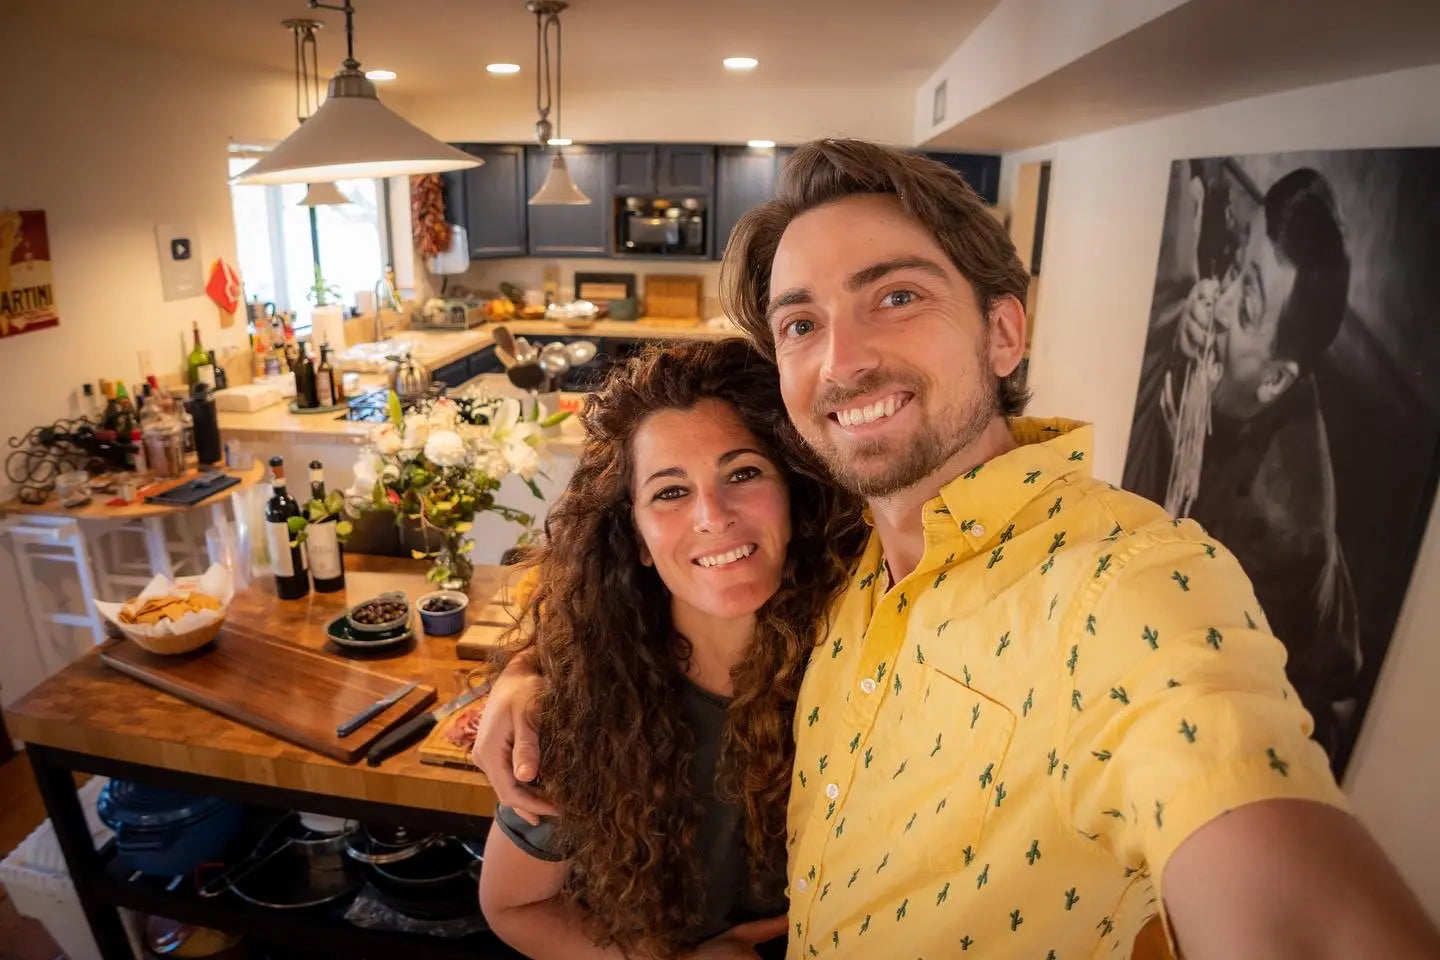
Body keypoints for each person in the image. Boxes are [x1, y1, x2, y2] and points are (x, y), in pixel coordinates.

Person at [475, 139, 1440, 959]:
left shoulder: (1128, 585)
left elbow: (1233, 785)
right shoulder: (845, 553)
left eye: (895, 296)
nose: (843, 357)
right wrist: (535, 675)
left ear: (1005, 330)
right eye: (802, 323)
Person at [477, 339, 867, 959]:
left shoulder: (870, 653)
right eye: (669, 492)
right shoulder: (578, 705)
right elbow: (512, 905)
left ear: (794, 494)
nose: (712, 515)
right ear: (634, 537)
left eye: (742, 473)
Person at [1125, 165, 1362, 759]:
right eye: (1234, 270)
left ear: (1276, 379)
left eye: (1247, 303)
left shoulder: (1279, 523)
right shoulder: (1223, 347)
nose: (1219, 304)